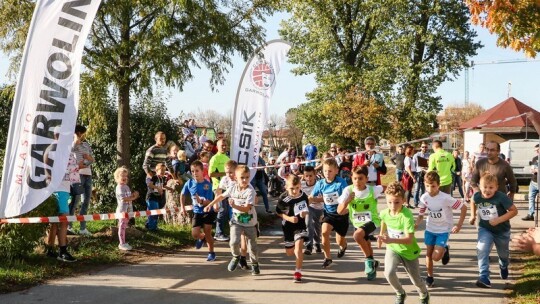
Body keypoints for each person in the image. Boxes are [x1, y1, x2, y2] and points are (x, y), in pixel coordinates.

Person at [377, 182, 429, 304]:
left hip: (408, 251)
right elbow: (384, 221)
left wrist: (390, 239)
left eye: (397, 202)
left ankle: (424, 293)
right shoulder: (385, 213)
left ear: (403, 200)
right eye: (389, 202)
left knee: (416, 280)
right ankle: (400, 292)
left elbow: (409, 239)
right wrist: (381, 234)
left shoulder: (406, 216)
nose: (393, 206)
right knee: (388, 273)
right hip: (393, 249)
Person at [415, 171, 467, 287]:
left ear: (438, 185)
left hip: (443, 230)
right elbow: (421, 213)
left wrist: (458, 225)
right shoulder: (424, 197)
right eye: (427, 185)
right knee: (428, 254)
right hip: (430, 228)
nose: (430, 188)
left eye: (433, 186)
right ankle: (429, 277)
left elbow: (463, 208)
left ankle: (444, 249)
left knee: (436, 257)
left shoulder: (445, 198)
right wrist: (416, 224)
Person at [205, 165, 260, 275]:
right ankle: (236, 256)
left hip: (250, 222)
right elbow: (221, 197)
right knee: (234, 241)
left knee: (252, 247)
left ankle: (254, 264)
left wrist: (234, 206)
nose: (245, 180)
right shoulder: (233, 188)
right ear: (236, 178)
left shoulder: (250, 191)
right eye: (242, 177)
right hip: (236, 221)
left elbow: (246, 209)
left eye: (247, 177)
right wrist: (210, 205)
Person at [469, 171, 518, 288]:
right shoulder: (478, 196)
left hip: (502, 231)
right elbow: (472, 200)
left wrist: (498, 220)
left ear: (496, 188)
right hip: (485, 228)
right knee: (481, 249)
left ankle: (504, 265)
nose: (487, 190)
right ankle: (484, 276)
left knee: (503, 254)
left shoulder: (501, 197)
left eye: (491, 187)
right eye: (484, 187)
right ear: (480, 187)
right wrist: (472, 215)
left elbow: (514, 211)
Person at [337, 165, 383, 280]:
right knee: (366, 243)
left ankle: (368, 262)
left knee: (357, 236)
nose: (358, 181)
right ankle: (372, 265)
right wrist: (348, 201)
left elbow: (388, 188)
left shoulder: (373, 189)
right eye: (355, 178)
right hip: (357, 223)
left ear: (366, 179)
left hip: (372, 221)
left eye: (361, 178)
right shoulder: (348, 190)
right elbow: (340, 211)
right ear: (352, 178)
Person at [309, 158, 349, 269]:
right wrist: (305, 202)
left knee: (340, 240)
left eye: (330, 171)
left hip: (341, 214)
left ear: (336, 171)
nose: (327, 173)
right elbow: (312, 196)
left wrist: (347, 207)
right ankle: (327, 258)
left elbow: (348, 198)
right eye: (325, 171)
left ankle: (343, 247)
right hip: (329, 214)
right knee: (324, 232)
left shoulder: (341, 182)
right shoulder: (320, 183)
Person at [276, 175, 310, 283]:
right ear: (286, 187)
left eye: (297, 188)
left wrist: (304, 213)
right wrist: (289, 218)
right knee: (290, 252)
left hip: (300, 226)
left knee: (298, 249)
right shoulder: (283, 198)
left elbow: (305, 209)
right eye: (292, 188)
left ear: (300, 186)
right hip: (288, 226)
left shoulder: (303, 195)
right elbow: (278, 212)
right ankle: (293, 245)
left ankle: (298, 272)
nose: (295, 191)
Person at [180, 160, 216, 261]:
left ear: (202, 171)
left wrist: (201, 202)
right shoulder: (189, 183)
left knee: (208, 232)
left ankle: (211, 252)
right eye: (192, 171)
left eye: (197, 171)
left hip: (208, 211)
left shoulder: (207, 185)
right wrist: (182, 207)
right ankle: (201, 237)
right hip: (197, 212)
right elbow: (182, 195)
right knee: (195, 234)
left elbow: (210, 201)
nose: (195, 173)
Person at [68, 125, 95, 236]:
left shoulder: (86, 144)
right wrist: (75, 137)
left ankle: (82, 228)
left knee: (86, 201)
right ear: (78, 133)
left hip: (88, 174)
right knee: (75, 201)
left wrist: (86, 163)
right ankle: (69, 226)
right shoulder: (73, 143)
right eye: (82, 133)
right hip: (77, 175)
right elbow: (72, 149)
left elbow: (92, 159)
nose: (83, 135)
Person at [209, 139, 231, 239]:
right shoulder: (214, 158)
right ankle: (218, 233)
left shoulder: (227, 158)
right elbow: (211, 174)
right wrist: (225, 174)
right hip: (218, 187)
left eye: (225, 145)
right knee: (222, 209)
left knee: (225, 210)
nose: (224, 147)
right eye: (222, 145)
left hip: (227, 188)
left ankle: (221, 231)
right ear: (217, 147)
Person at [114, 167, 140, 251]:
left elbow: (128, 197)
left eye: (126, 176)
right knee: (122, 227)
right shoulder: (119, 187)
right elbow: (124, 199)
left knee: (124, 227)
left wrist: (133, 195)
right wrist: (134, 197)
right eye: (122, 176)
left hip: (128, 210)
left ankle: (124, 242)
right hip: (122, 210)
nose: (125, 177)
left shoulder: (126, 187)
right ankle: (121, 243)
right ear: (117, 178)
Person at [145, 163, 171, 231]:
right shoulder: (154, 177)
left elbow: (163, 186)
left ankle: (150, 225)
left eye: (164, 170)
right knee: (154, 212)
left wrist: (170, 189)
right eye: (161, 170)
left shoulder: (163, 178)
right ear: (156, 170)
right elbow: (150, 185)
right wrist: (157, 188)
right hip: (151, 197)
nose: (163, 171)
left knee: (155, 212)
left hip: (157, 198)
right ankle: (152, 228)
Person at [302, 166, 321, 255]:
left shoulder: (320, 184)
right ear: (304, 176)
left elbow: (325, 199)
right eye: (306, 176)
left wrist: (313, 199)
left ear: (315, 175)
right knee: (308, 222)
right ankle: (309, 245)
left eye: (310, 176)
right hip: (308, 207)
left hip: (320, 208)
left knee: (317, 225)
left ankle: (317, 243)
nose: (308, 178)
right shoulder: (301, 185)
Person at [522, 144, 539, 221]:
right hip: (533, 182)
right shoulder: (535, 158)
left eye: (538, 150)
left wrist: (537, 171)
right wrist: (532, 170)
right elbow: (532, 168)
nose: (537, 152)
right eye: (536, 150)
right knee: (531, 198)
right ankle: (530, 214)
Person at [413, 142, 430, 207]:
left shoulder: (429, 155)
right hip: (418, 173)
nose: (424, 148)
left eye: (425, 147)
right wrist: (414, 175)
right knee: (417, 188)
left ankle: (421, 202)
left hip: (425, 173)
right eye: (423, 147)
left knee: (423, 189)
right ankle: (415, 202)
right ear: (420, 147)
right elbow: (414, 166)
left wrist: (426, 167)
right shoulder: (416, 155)